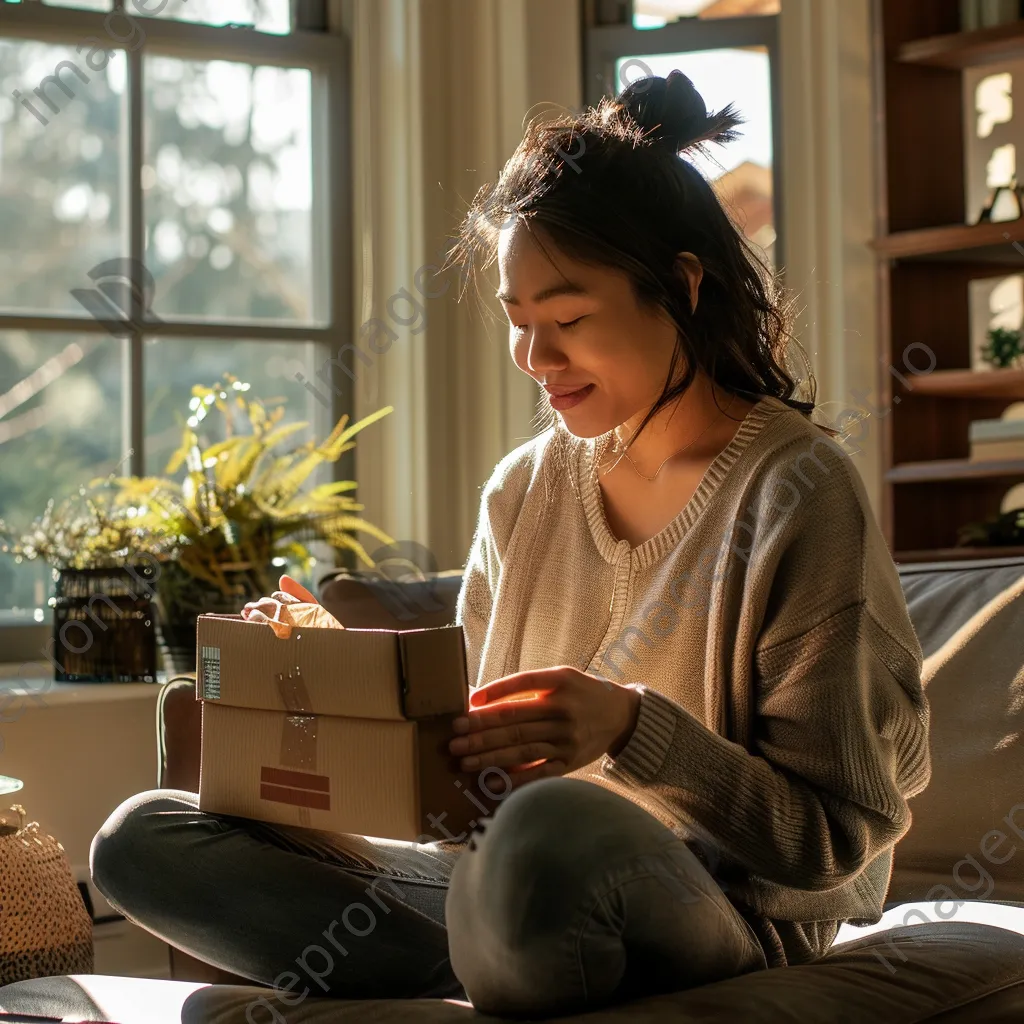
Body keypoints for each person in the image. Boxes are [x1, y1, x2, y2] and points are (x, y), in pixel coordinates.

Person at [90, 71, 930, 1018]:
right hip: (494, 889)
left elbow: (834, 837)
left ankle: (507, 951)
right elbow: (465, 803)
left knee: (552, 830)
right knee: (142, 840)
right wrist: (350, 684)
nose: (537, 359)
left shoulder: (796, 492)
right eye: (519, 324)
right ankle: (504, 962)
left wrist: (631, 731)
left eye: (569, 319)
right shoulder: (523, 489)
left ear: (684, 289)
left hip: (722, 916)